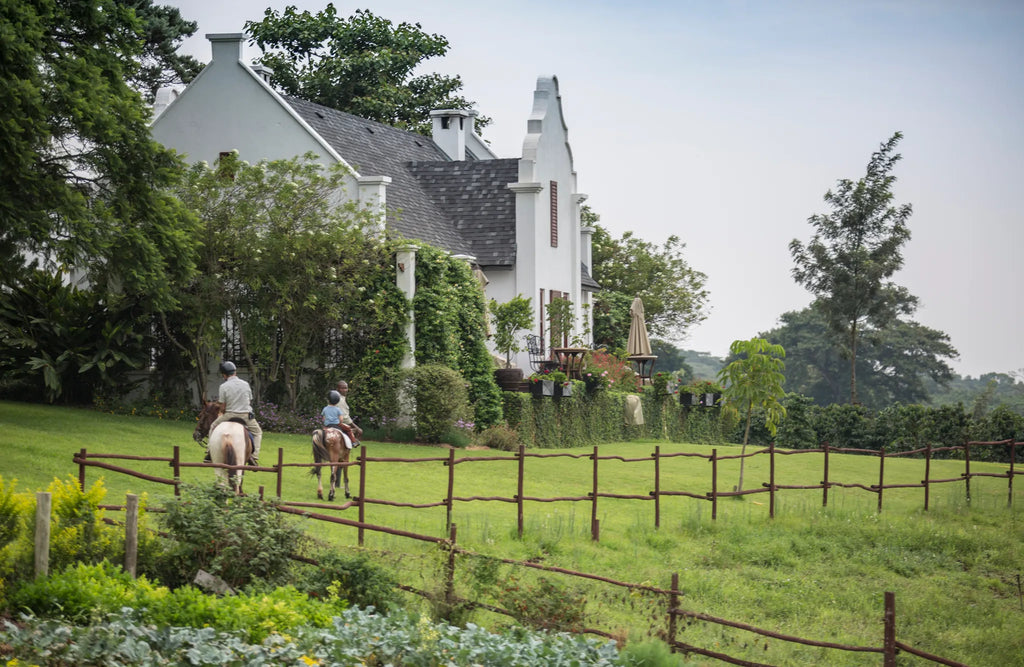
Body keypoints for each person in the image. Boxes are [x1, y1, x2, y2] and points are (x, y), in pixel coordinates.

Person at [209, 360, 262, 465]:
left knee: (213, 426)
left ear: (224, 375)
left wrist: (222, 411)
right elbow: (249, 401)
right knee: (258, 432)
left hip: (230, 415)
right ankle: (254, 456)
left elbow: (223, 406)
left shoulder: (223, 386)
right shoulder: (246, 384)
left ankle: (209, 453)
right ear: (235, 372)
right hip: (246, 415)